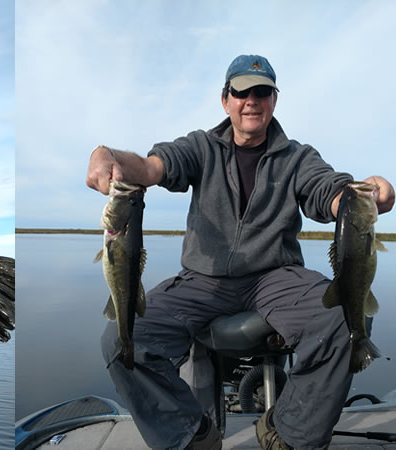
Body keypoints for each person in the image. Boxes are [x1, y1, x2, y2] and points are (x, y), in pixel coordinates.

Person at [85, 54, 394, 449]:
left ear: (274, 100)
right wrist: (107, 156)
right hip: (201, 280)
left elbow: (328, 192)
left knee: (347, 317)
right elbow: (149, 168)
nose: (252, 100)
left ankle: (286, 431)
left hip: (275, 277)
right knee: (119, 340)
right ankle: (191, 435)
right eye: (241, 91)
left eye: (261, 91)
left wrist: (363, 196)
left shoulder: (298, 157)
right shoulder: (200, 147)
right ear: (225, 100)